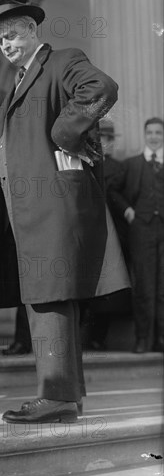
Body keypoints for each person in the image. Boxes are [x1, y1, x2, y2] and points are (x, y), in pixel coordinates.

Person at [0, 0, 129, 424]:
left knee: (48, 295)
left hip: (51, 202)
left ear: (32, 30)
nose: (5, 44)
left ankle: (56, 396)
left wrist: (64, 135)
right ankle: (66, 395)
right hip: (27, 205)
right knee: (47, 295)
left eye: (11, 35)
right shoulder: (18, 79)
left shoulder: (62, 60)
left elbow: (102, 87)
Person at [111, 117, 164, 353]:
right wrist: (127, 210)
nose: (154, 137)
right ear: (145, 135)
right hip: (141, 231)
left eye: (158, 133)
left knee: (163, 288)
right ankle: (143, 339)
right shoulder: (132, 164)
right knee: (143, 286)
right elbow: (112, 190)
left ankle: (161, 339)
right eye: (150, 133)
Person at [81, 120, 131, 351]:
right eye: (101, 139)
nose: (105, 143)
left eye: (109, 139)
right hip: (89, 233)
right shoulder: (86, 164)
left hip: (114, 235)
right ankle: (86, 335)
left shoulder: (120, 168)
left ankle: (98, 337)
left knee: (109, 291)